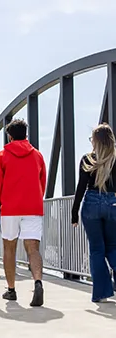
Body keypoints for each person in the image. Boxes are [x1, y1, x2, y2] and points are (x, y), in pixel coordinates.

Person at [0, 119, 46, 306]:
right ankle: (38, 282)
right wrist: (35, 199)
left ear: (10, 136)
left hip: (10, 210)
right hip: (33, 207)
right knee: (33, 249)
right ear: (26, 134)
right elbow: (42, 182)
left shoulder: (2, 156)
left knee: (9, 248)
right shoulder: (37, 155)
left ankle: (11, 290)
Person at [72, 123, 116, 302]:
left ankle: (101, 294)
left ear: (96, 142)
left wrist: (74, 213)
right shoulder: (114, 159)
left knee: (97, 250)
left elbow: (81, 188)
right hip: (113, 204)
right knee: (113, 247)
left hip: (91, 204)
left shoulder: (87, 159)